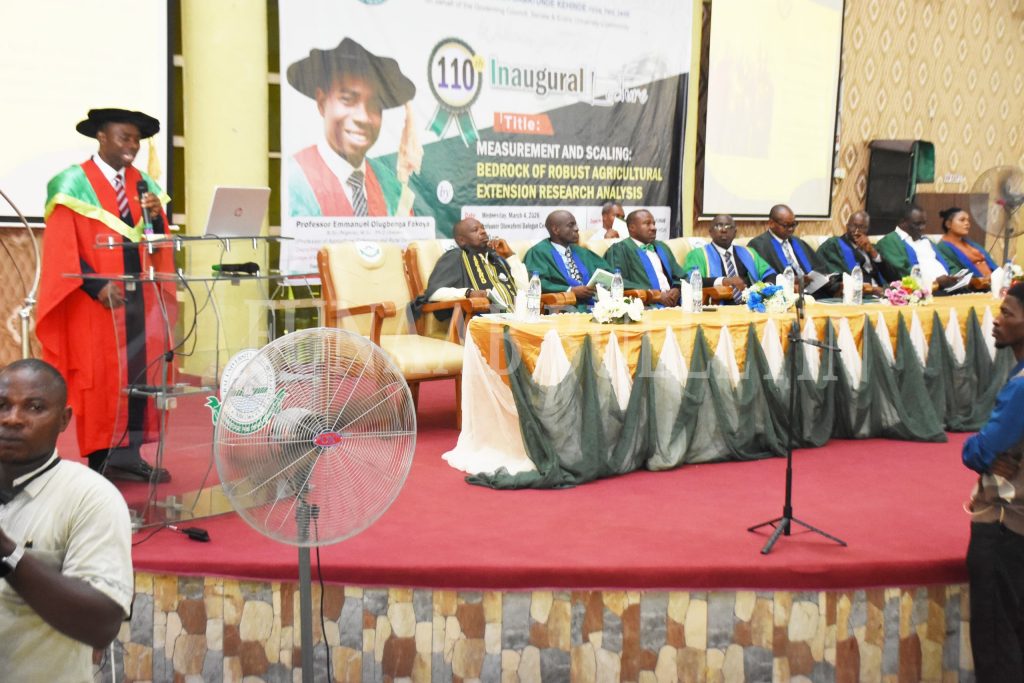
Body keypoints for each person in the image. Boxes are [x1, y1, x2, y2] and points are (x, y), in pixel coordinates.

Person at [36, 108, 174, 482]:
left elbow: (155, 241)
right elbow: (64, 246)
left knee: (141, 372)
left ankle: (130, 454)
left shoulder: (144, 185)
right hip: (94, 301)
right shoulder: (71, 183)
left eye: (136, 140)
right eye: (124, 137)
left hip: (141, 298)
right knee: (101, 377)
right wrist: (96, 285)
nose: (132, 146)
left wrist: (156, 218)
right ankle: (100, 456)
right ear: (102, 136)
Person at [0, 359, 133, 682]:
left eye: (34, 407)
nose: (13, 419)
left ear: (64, 419)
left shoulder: (91, 498)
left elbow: (101, 625)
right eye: (2, 405)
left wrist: (9, 555)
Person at [961, 282, 1024, 682]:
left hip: (1005, 529)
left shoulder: (1020, 387)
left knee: (999, 646)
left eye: (1008, 314)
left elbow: (980, 451)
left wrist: (974, 448)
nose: (997, 321)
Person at [286, 37, 418, 217]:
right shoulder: (293, 180)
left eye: (374, 104)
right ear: (322, 102)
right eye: (348, 99)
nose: (362, 117)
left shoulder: (392, 189)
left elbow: (406, 245)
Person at [523, 210, 644, 311]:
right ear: (555, 230)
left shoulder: (582, 252)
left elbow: (608, 273)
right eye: (571, 225)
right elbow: (537, 283)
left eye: (575, 225)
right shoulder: (539, 252)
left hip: (596, 304)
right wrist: (571, 291)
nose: (576, 229)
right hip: (565, 306)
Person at [415, 217, 520, 320]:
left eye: (483, 228)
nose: (483, 231)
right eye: (475, 230)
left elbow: (526, 289)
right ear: (461, 240)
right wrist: (468, 293)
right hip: (487, 325)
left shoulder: (496, 258)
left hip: (518, 319)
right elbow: (434, 293)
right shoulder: (455, 257)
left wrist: (510, 256)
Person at [748, 204, 841, 297]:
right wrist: (791, 280)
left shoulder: (798, 242)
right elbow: (765, 278)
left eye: (793, 225)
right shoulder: (758, 245)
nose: (791, 229)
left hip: (814, 293)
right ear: (771, 224)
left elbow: (819, 267)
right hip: (787, 296)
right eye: (786, 225)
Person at [682, 214, 776, 303]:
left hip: (750, 307)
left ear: (735, 232)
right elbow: (689, 280)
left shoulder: (749, 253)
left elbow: (769, 273)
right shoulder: (698, 254)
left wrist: (766, 289)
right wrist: (724, 281)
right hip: (717, 309)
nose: (723, 230)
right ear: (710, 231)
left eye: (728, 226)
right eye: (718, 226)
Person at [604, 209, 687, 306]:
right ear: (632, 228)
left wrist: (677, 289)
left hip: (674, 304)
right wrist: (654, 295)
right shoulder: (619, 250)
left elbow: (682, 276)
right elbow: (615, 281)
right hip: (645, 306)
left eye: (654, 224)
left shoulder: (662, 247)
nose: (653, 228)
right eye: (647, 224)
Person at [874, 204, 960, 289]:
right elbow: (902, 271)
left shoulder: (925, 240)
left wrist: (955, 276)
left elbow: (949, 263)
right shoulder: (890, 241)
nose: (922, 228)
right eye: (917, 224)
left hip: (949, 286)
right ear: (902, 222)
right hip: (926, 290)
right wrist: (935, 281)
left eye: (924, 223)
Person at [817, 211, 901, 293]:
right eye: (854, 226)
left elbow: (894, 278)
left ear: (867, 229)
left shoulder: (872, 247)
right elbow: (831, 276)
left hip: (881, 294)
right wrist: (871, 289)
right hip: (859, 295)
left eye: (862, 227)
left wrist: (873, 252)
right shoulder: (834, 245)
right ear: (847, 226)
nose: (857, 231)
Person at [935, 206, 997, 290]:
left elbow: (992, 265)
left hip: (994, 284)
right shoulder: (942, 247)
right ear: (948, 224)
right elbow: (955, 273)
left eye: (968, 220)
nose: (967, 223)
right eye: (962, 220)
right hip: (976, 289)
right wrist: (978, 281)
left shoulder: (972, 244)